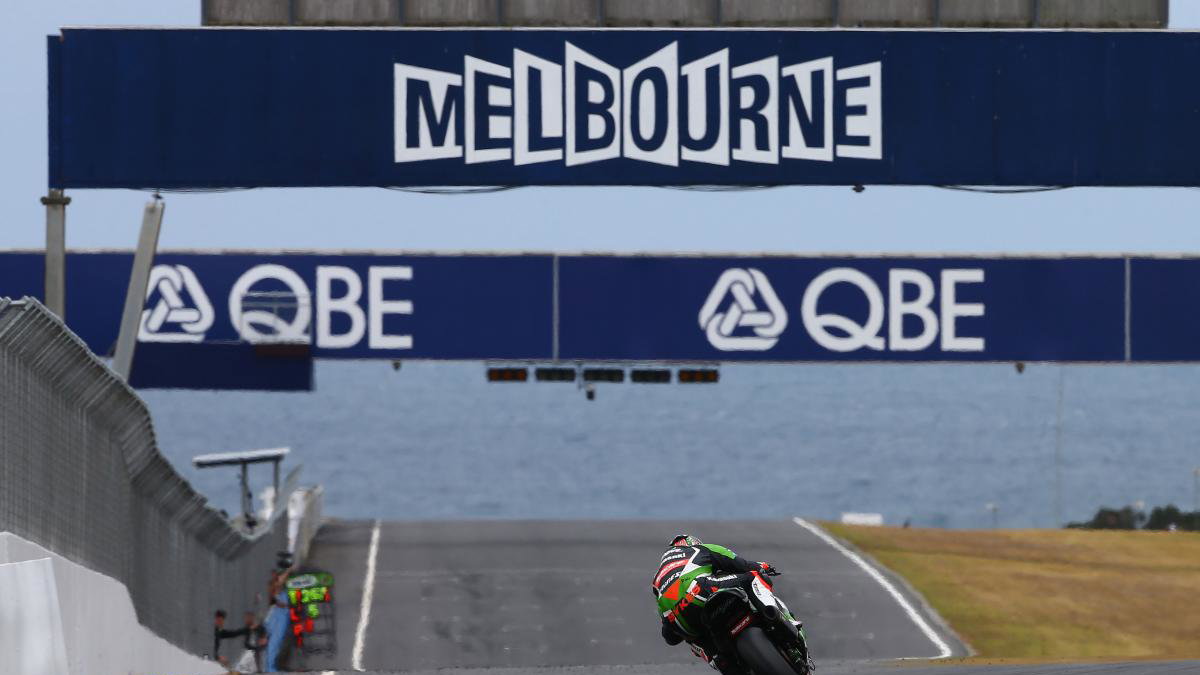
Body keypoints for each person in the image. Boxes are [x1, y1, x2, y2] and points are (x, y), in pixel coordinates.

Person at [651, 534, 780, 672]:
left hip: (676, 619)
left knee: (695, 640)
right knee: (754, 576)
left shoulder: (657, 579)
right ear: (692, 543)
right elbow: (743, 565)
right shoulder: (700, 549)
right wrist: (763, 567)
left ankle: (718, 660)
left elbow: (670, 638)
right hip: (700, 589)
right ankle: (772, 615)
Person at [263, 569, 291, 671]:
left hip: (278, 617)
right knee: (273, 645)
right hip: (277, 617)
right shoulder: (276, 591)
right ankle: (271, 668)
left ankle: (271, 668)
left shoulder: (280, 591)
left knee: (274, 645)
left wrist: (289, 570)